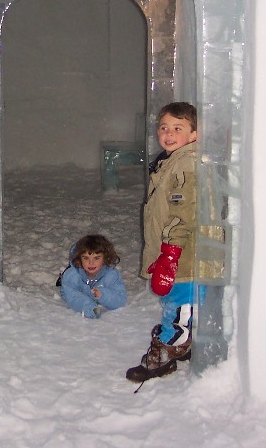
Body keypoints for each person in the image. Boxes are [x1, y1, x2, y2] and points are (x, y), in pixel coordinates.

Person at [126, 102, 201, 382]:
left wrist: (170, 255)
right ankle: (178, 343)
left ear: (194, 134)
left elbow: (184, 213)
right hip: (171, 252)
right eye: (164, 127)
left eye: (178, 128)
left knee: (179, 305)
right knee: (174, 301)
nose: (168, 134)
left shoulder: (186, 165)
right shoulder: (171, 160)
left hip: (182, 255)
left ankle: (172, 348)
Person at [59, 234, 127, 319]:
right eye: (86, 258)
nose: (91, 263)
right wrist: (90, 308)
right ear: (79, 258)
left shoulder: (111, 275)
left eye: (96, 258)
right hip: (81, 300)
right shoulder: (72, 276)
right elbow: (73, 297)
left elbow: (120, 300)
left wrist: (102, 294)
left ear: (105, 258)